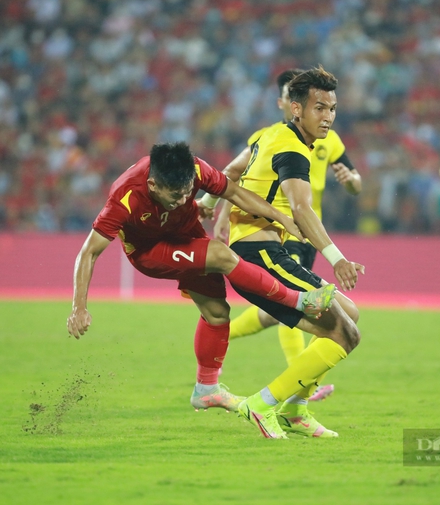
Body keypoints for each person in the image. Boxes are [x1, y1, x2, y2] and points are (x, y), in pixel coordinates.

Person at [66, 142, 337, 416]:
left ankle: (206, 389)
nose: (183, 200)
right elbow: (88, 253)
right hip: (149, 251)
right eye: (175, 195)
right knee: (221, 254)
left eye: (187, 193)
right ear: (153, 185)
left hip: (187, 236)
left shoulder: (195, 169)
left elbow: (235, 192)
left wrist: (280, 217)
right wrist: (79, 307)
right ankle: (300, 300)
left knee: (218, 312)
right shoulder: (125, 196)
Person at [218, 66, 364, 439]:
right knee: (345, 334)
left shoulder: (278, 137)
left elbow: (231, 173)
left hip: (264, 249)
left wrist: (211, 207)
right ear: (296, 109)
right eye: (319, 108)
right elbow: (302, 210)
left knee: (350, 314)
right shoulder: (290, 148)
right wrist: (337, 258)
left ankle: (296, 409)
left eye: (332, 108)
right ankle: (264, 404)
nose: (328, 117)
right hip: (260, 254)